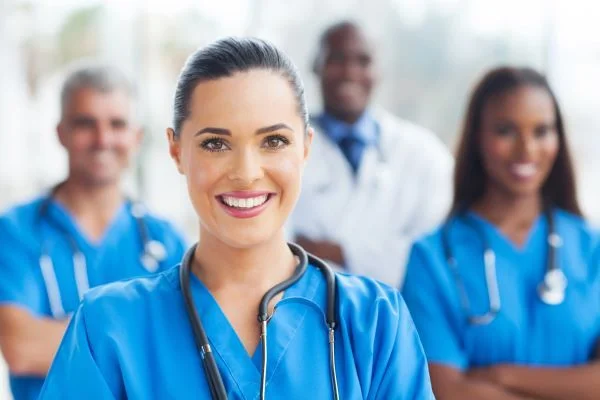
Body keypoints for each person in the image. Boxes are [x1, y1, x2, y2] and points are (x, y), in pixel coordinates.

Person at [38, 37, 434, 399]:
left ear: (306, 148)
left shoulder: (375, 323)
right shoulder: (107, 328)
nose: (246, 172)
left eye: (273, 141)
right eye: (216, 143)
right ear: (176, 152)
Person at [402, 66, 600, 399]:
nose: (527, 149)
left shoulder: (591, 248)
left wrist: (501, 375)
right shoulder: (432, 258)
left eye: (542, 131)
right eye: (506, 131)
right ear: (477, 138)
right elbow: (446, 390)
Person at [0, 65, 187, 400]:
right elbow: (21, 346)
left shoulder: (164, 239)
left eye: (117, 124)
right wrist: (141, 343)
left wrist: (70, 341)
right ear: (61, 133)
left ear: (137, 136)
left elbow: (181, 352)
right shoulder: (16, 231)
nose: (103, 139)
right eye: (86, 123)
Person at [290, 21, 453, 287]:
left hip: (397, 316)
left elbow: (431, 255)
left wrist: (335, 251)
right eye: (336, 59)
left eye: (363, 61)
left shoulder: (425, 154)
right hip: (304, 312)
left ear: (378, 71)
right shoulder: (282, 148)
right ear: (315, 66)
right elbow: (274, 250)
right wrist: (381, 254)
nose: (349, 72)